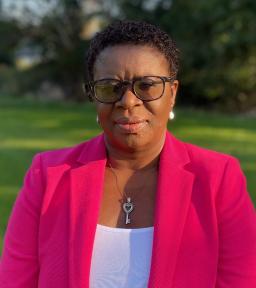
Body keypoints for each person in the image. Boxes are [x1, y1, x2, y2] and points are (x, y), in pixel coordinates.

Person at [0, 20, 255, 288]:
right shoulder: (47, 176)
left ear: (172, 93)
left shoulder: (218, 180)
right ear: (93, 95)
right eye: (110, 87)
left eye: (146, 85)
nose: (128, 101)